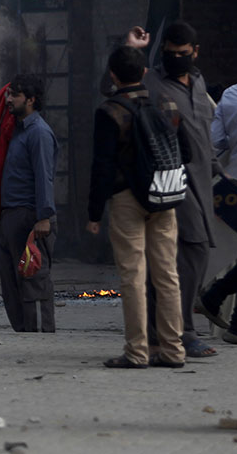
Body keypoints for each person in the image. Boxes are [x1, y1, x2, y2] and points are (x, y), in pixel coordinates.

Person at [112, 23, 221, 357]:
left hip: (202, 179)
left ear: (195, 52)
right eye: (170, 54)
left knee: (193, 253)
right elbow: (115, 87)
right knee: (188, 251)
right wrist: (131, 48)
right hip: (169, 179)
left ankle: (169, 331)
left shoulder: (198, 83)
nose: (176, 59)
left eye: (182, 54)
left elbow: (203, 132)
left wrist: (219, 170)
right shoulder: (153, 81)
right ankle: (181, 331)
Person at [86, 46, 185, 368]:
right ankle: (173, 351)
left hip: (128, 198)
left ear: (113, 75)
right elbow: (187, 151)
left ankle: (137, 352)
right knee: (167, 276)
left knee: (133, 276)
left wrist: (94, 213)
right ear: (143, 72)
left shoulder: (110, 111)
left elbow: (101, 166)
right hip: (164, 196)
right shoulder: (166, 103)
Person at [0, 74, 58, 332]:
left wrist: (44, 217)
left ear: (31, 100)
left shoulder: (39, 134)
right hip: (11, 217)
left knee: (34, 281)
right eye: (9, 94)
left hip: (31, 218)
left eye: (15, 95)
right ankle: (23, 335)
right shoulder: (17, 131)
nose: (8, 100)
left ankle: (40, 338)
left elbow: (44, 176)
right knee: (12, 284)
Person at [195, 80, 237, 344]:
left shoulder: (232, 94)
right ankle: (224, 308)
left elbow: (216, 142)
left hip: (233, 184)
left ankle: (221, 305)